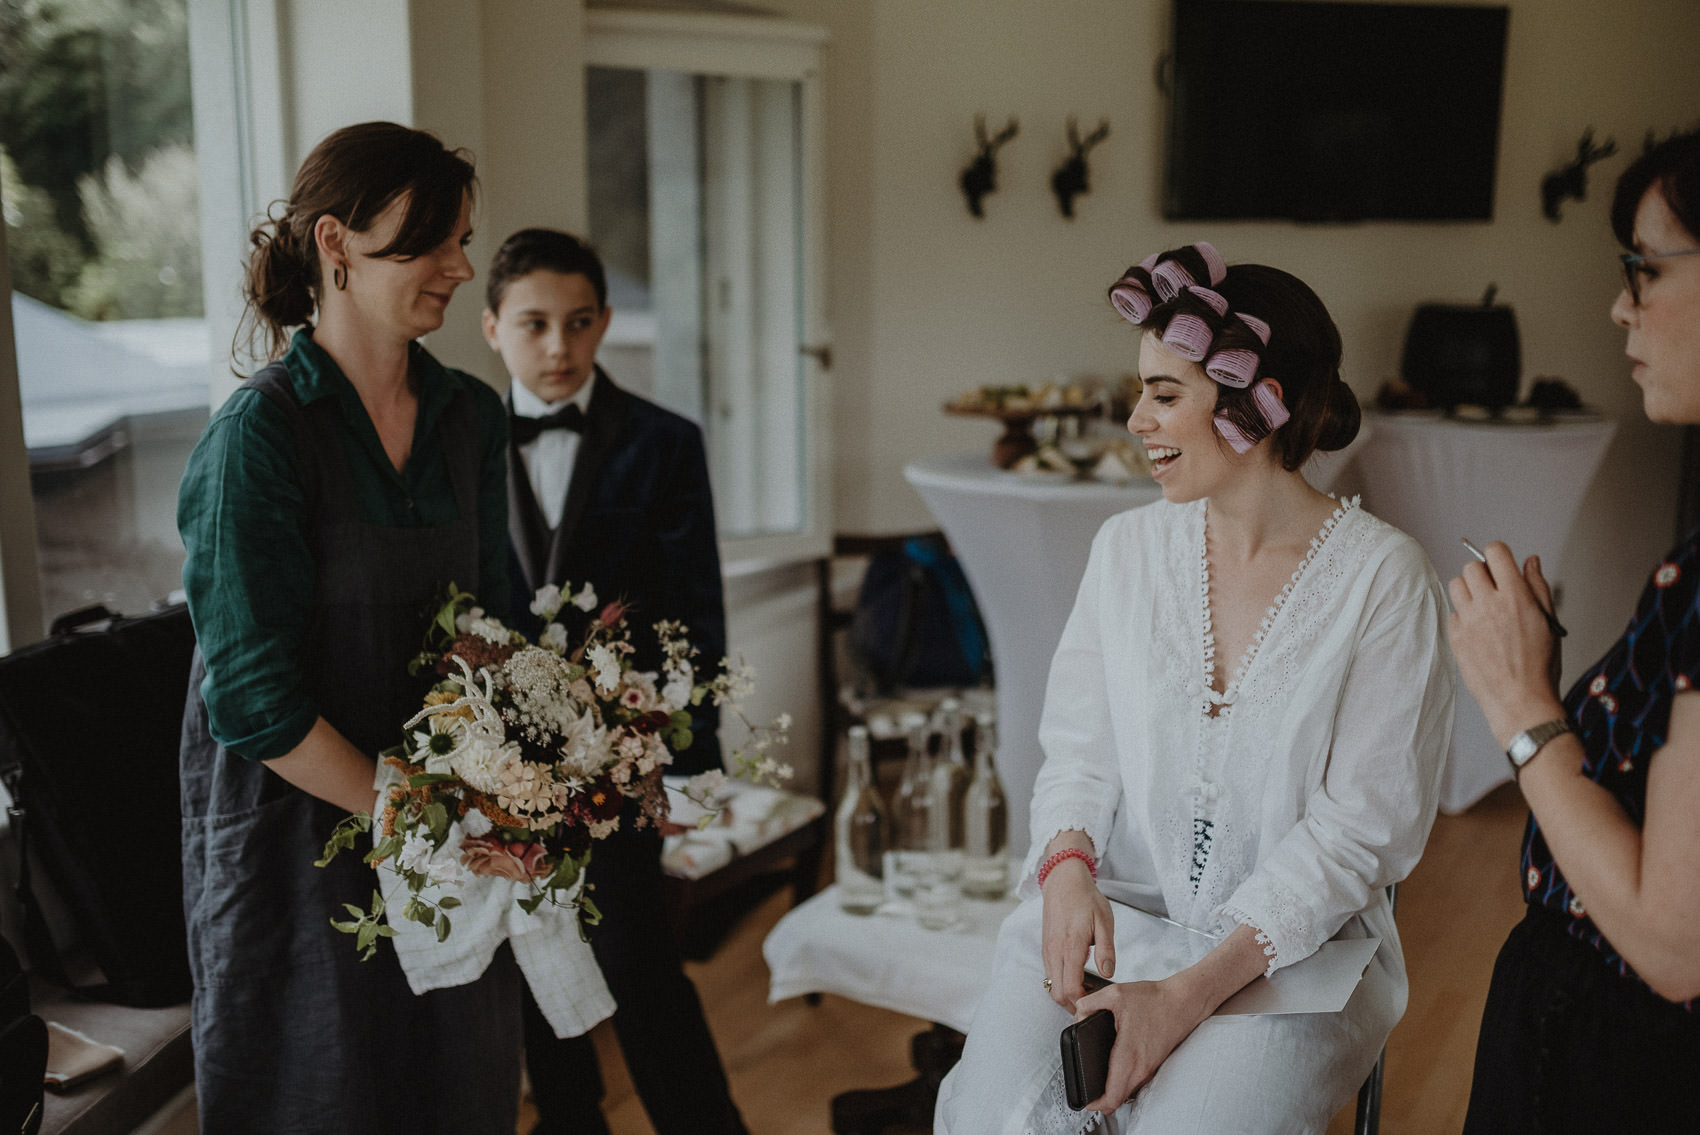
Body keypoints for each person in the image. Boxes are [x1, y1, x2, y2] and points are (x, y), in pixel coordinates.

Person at [935, 242, 1455, 1133]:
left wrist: (1184, 995)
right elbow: (1079, 750)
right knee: (992, 1118)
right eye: (1140, 390)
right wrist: (1065, 872)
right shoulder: (1126, 551)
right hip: (1119, 925)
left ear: (1261, 404)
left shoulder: (1385, 581)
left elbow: (1361, 830)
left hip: (1297, 961)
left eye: (1165, 394)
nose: (1137, 419)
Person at [176, 122, 521, 1133]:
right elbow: (250, 700)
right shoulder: (258, 440)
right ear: (336, 244)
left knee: (458, 1091)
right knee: (325, 1097)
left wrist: (527, 784)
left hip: (443, 824)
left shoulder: (469, 417)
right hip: (298, 839)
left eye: (463, 238)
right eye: (429, 243)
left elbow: (490, 628)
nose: (461, 267)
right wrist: (414, 815)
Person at [1451, 128, 1700, 1133]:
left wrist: (1521, 705)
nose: (1616, 305)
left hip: (1620, 1078)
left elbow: (1671, 940)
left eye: (1642, 269)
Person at [480, 228, 746, 1135]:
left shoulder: (665, 444)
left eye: (581, 321)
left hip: (620, 765)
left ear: (603, 323)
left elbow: (692, 615)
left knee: (637, 963)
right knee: (527, 960)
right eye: (535, 323)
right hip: (494, 772)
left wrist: (691, 769)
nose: (559, 347)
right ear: (492, 329)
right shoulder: (459, 447)